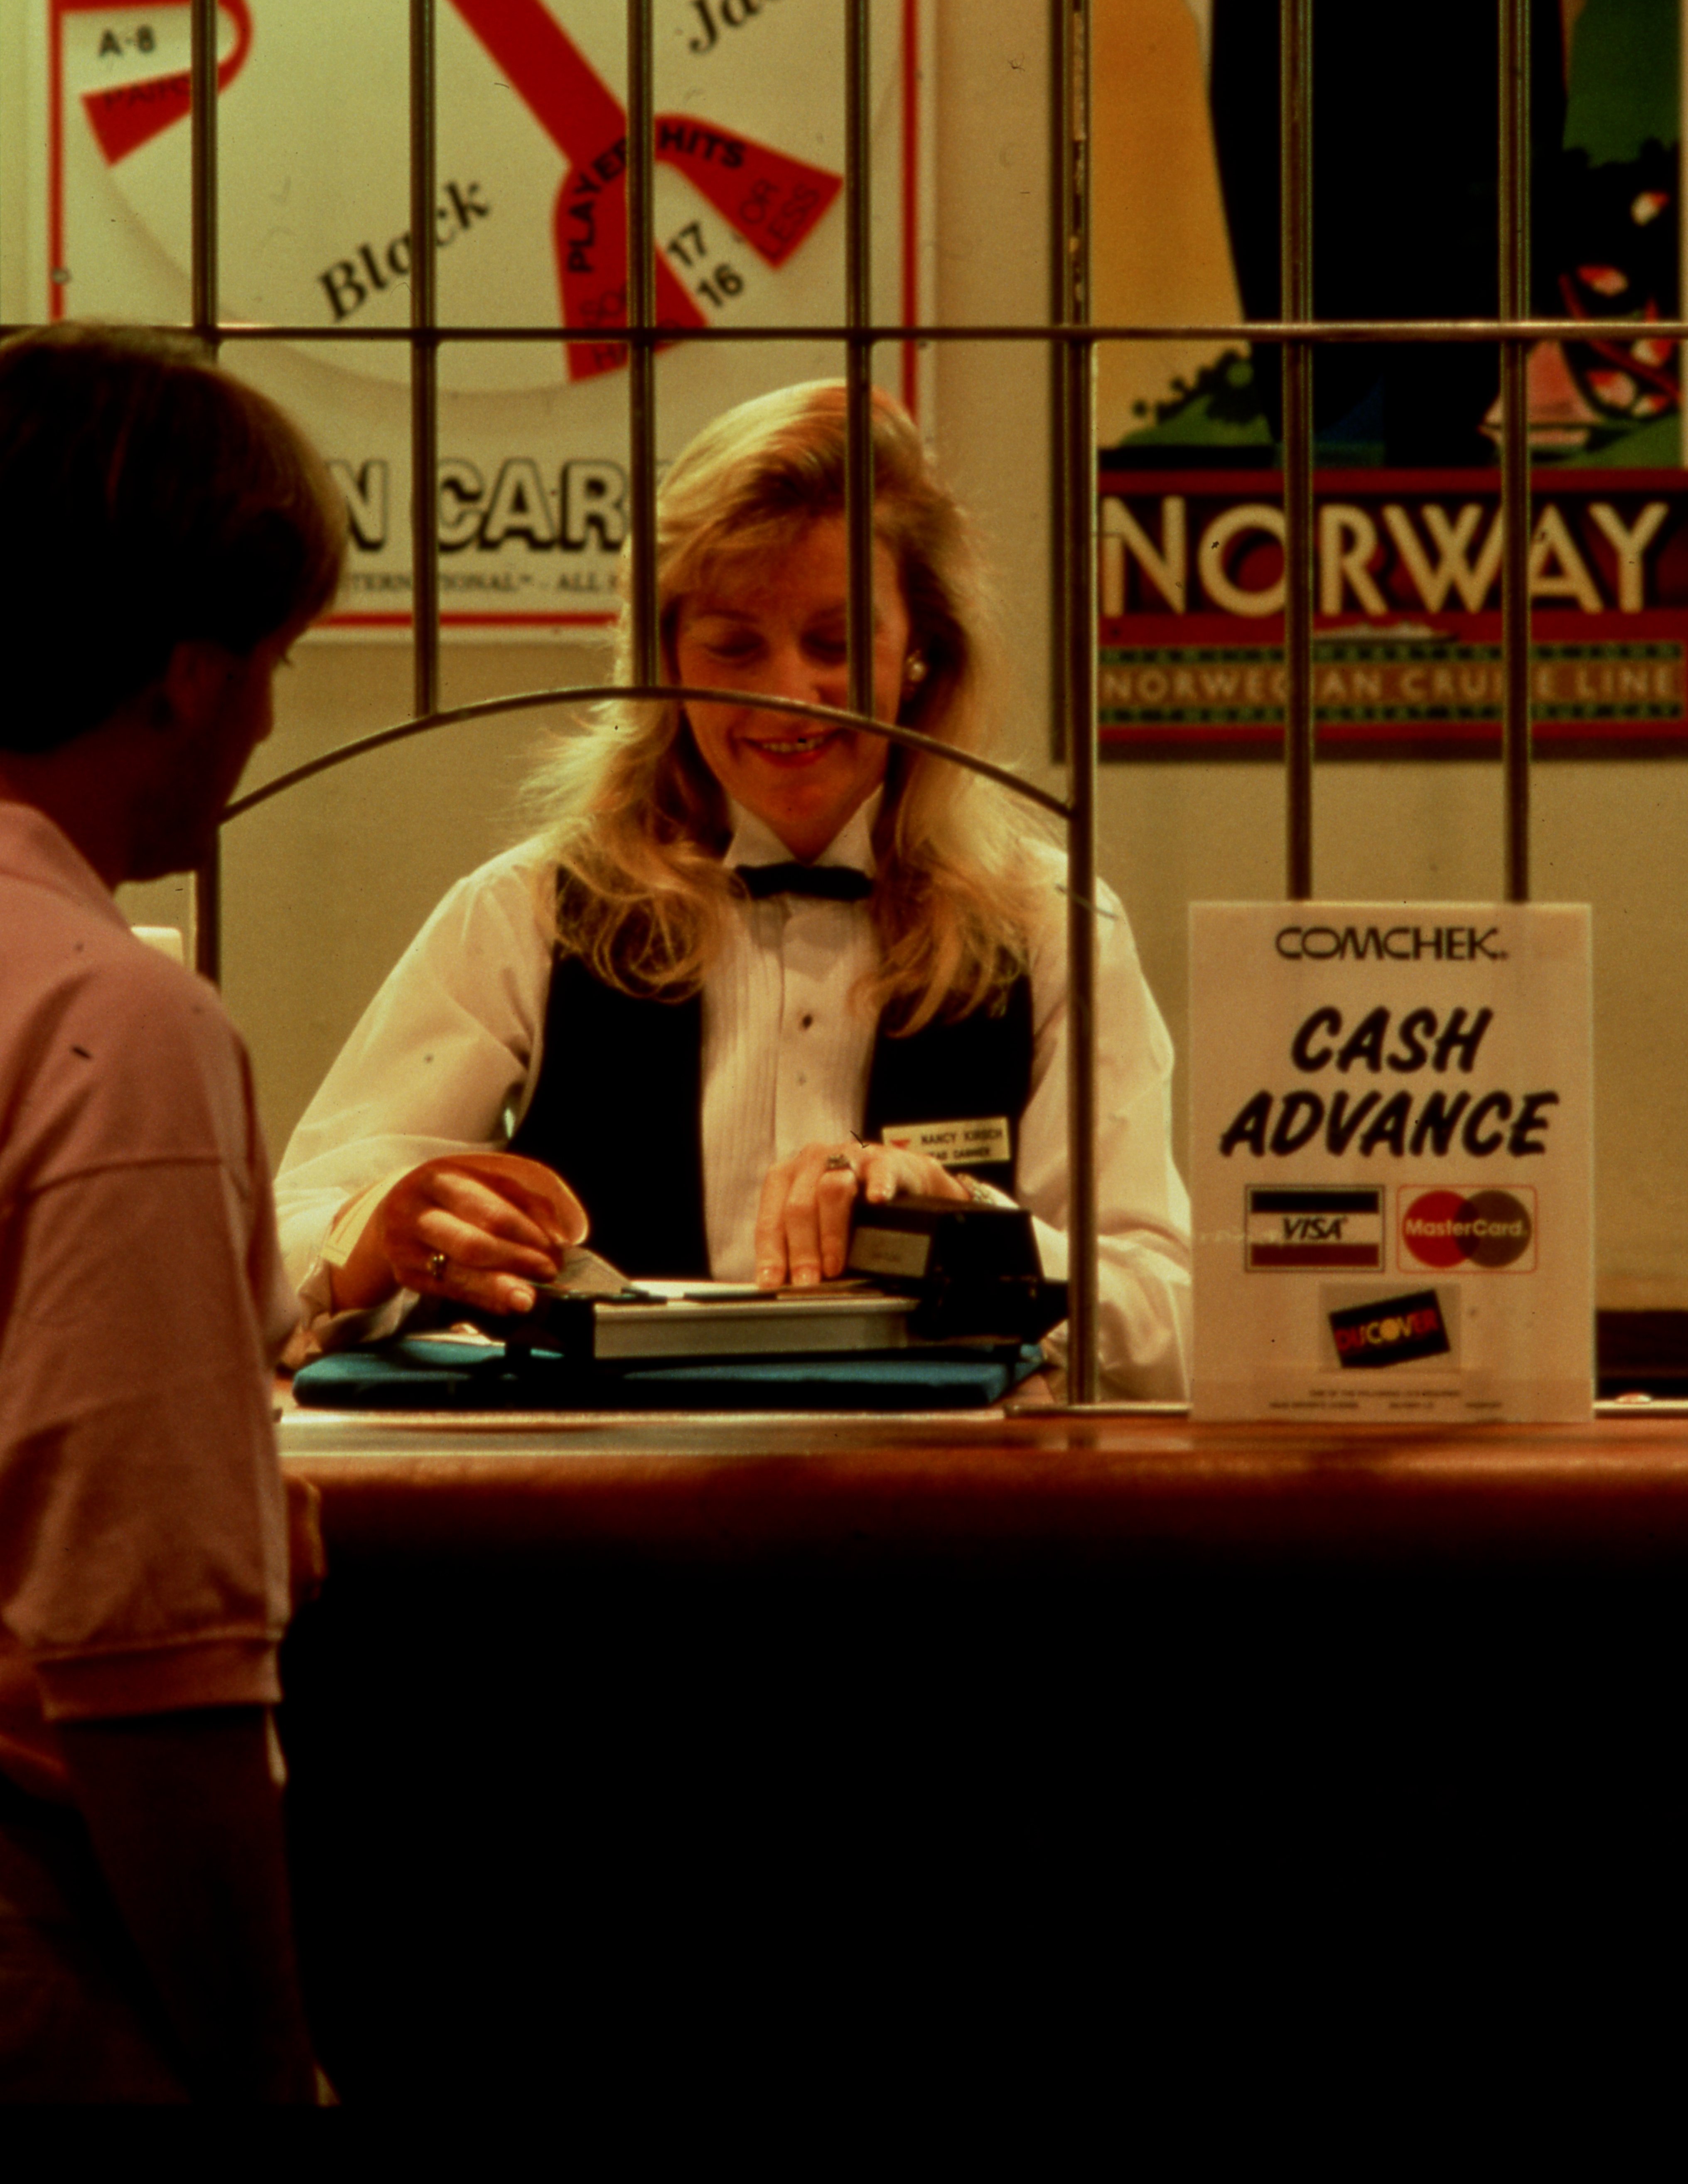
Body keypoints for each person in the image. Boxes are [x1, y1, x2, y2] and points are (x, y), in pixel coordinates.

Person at [275, 381, 1190, 1399]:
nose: (785, 694)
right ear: (665, 657)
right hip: (599, 1478)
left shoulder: (1049, 924)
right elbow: (275, 1253)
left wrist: (968, 1225)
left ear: (920, 652)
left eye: (835, 643)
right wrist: (388, 1229)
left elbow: (1169, 1318)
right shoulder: (530, 907)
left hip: (940, 1482)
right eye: (733, 645)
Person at [0, 322, 346, 2101]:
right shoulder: (112, 1019)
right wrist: (269, 2076)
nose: (271, 718)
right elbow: (147, 1660)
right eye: (276, 662)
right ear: (190, 678)